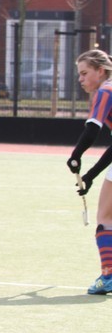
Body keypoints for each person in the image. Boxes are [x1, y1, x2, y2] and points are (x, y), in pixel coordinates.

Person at [66, 49, 112, 295]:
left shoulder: (106, 91)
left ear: (100, 71)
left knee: (105, 218)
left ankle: (108, 276)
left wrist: (76, 156)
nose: (80, 79)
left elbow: (93, 129)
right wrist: (91, 176)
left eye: (85, 73)